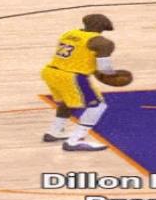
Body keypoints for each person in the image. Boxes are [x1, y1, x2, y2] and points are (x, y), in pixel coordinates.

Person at [41, 14, 120, 151]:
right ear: (105, 26)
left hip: (51, 71)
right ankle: (74, 141)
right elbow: (104, 69)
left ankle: (54, 132)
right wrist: (116, 77)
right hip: (71, 76)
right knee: (98, 106)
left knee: (68, 101)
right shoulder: (103, 43)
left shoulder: (70, 33)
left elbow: (79, 55)